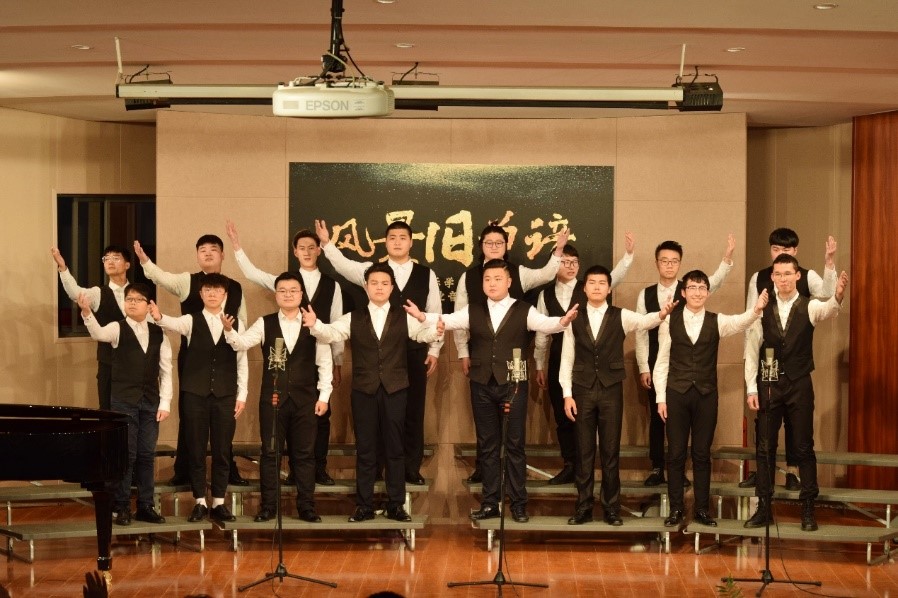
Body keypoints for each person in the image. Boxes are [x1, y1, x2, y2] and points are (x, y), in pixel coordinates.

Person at [422, 259, 579, 523]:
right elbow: (446, 319)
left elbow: (546, 324)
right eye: (487, 279)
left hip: (513, 384)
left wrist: (563, 321)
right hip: (481, 383)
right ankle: (490, 503)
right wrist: (421, 317)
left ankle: (518, 504)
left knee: (515, 445)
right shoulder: (473, 309)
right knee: (487, 446)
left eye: (497, 279)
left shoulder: (524, 309)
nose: (492, 283)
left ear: (509, 282)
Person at [300, 263, 441, 523]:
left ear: (392, 287)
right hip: (363, 390)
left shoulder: (404, 316)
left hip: (396, 389)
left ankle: (396, 505)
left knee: (395, 449)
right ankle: (364, 506)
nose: (379, 287)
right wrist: (315, 324)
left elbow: (424, 335)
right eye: (374, 283)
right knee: (365, 449)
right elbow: (331, 333)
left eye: (384, 283)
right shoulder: (353, 317)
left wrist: (435, 329)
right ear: (366, 287)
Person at [315, 219, 440, 486]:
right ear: (386, 242)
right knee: (379, 417)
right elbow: (343, 265)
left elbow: (434, 312)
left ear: (411, 242)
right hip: (376, 357)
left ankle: (411, 468)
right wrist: (326, 243)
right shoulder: (371, 271)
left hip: (415, 351)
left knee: (412, 412)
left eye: (402, 237)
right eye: (392, 237)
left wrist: (436, 350)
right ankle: (378, 470)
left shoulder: (426, 274)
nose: (397, 242)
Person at [455, 221, 577, 483]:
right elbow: (457, 318)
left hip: (513, 364)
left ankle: (514, 486)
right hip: (481, 360)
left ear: (506, 246)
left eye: (499, 242)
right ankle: (486, 473)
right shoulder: (469, 277)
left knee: (513, 432)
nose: (494, 246)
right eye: (489, 243)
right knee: (486, 428)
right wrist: (463, 352)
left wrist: (558, 251)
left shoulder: (519, 273)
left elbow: (546, 274)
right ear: (481, 246)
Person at [226, 219, 343, 486]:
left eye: (312, 247)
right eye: (302, 247)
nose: (307, 252)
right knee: (285, 419)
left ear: (319, 250)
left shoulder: (332, 285)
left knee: (321, 415)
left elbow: (336, 325)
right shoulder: (285, 281)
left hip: (318, 354)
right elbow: (253, 273)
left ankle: (319, 468)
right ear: (294, 251)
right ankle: (293, 472)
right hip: (287, 361)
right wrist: (237, 247)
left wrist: (337, 361)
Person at [653, 271, 768, 528]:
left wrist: (757, 310)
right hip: (676, 394)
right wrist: (661, 398)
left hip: (706, 395)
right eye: (692, 287)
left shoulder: (717, 320)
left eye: (702, 287)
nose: (697, 292)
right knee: (676, 454)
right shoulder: (668, 321)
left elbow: (740, 322)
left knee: (702, 454)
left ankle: (702, 510)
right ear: (683, 292)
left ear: (707, 292)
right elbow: (661, 362)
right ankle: (676, 509)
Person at [562, 265, 674, 526]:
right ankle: (583, 507)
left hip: (611, 389)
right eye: (592, 282)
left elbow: (644, 322)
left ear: (609, 289)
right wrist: (567, 394)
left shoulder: (620, 315)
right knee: (584, 451)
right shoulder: (573, 318)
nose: (597, 287)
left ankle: (611, 508)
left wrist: (662, 314)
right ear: (584, 288)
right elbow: (567, 358)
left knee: (610, 451)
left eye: (602, 283)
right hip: (582, 389)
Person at [743, 255, 848, 532]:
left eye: (788, 273)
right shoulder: (761, 308)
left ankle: (808, 507)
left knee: (803, 446)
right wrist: (751, 387)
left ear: (797, 276)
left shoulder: (809, 305)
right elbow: (752, 348)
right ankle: (764, 507)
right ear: (772, 277)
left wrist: (838, 295)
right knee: (765, 446)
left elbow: (829, 309)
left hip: (799, 383)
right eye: (778, 274)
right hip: (769, 382)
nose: (783, 278)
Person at [134, 235, 249, 486]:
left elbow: (243, 322)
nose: (207, 253)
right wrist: (144, 261)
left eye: (213, 249)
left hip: (227, 357)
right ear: (197, 256)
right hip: (193, 359)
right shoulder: (188, 281)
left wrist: (238, 340)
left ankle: (228, 471)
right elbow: (161, 277)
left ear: (222, 255)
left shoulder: (236, 287)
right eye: (202, 250)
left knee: (224, 419)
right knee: (190, 416)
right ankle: (184, 470)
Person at [224, 272, 333, 523]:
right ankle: (268, 507)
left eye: (293, 290)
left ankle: (306, 507)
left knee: (304, 455)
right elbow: (241, 344)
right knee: (270, 453)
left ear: (301, 294)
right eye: (282, 290)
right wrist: (229, 331)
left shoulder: (313, 323)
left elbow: (325, 363)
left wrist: (324, 396)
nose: (288, 295)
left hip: (306, 400)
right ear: (276, 295)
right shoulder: (265, 322)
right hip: (272, 399)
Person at [740, 228, 838, 490]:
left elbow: (827, 295)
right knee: (765, 428)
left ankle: (794, 473)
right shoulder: (759, 277)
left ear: (795, 252)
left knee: (798, 429)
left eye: (785, 250)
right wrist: (750, 373)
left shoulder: (805, 275)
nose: (779, 254)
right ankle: (763, 480)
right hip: (768, 361)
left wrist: (829, 263)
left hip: (796, 362)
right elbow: (751, 322)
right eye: (775, 250)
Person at [635, 235, 735, 487]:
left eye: (674, 261)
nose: (669, 265)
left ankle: (682, 473)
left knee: (688, 425)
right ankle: (658, 467)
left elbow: (714, 281)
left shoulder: (691, 287)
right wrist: (644, 366)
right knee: (658, 416)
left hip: (688, 364)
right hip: (658, 362)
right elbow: (640, 332)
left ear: (680, 263)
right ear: (657, 263)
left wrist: (727, 258)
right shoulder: (645, 294)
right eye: (664, 261)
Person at [534, 236, 635, 484]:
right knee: (563, 416)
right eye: (564, 261)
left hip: (590, 363)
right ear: (555, 263)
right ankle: (570, 465)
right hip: (558, 359)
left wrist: (628, 256)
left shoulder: (589, 286)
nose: (570, 266)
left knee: (587, 420)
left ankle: (587, 469)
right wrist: (539, 364)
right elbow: (541, 332)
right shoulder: (545, 294)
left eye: (574, 262)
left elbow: (614, 277)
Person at [149, 273, 248, 523]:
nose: (212, 294)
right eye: (207, 290)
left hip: (225, 394)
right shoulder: (190, 320)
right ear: (201, 294)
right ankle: (200, 502)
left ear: (225, 294)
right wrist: (158, 316)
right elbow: (171, 323)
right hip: (195, 394)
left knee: (222, 450)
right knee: (195, 448)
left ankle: (219, 502)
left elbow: (242, 360)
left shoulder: (237, 323)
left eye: (217, 290)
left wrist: (242, 394)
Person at [78, 283, 172, 526]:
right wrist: (87, 313)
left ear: (149, 305)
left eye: (138, 299)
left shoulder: (159, 333)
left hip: (150, 402)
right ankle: (120, 506)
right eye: (129, 299)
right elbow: (98, 334)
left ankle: (145, 505)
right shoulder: (117, 327)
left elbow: (166, 371)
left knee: (146, 454)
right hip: (123, 401)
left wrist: (165, 402)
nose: (132, 303)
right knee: (126, 455)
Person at [51, 245, 132, 411]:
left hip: (134, 362)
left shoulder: (137, 293)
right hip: (108, 362)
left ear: (127, 265)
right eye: (106, 258)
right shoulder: (98, 293)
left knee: (134, 411)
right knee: (108, 410)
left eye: (116, 258)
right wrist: (63, 267)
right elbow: (75, 293)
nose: (110, 261)